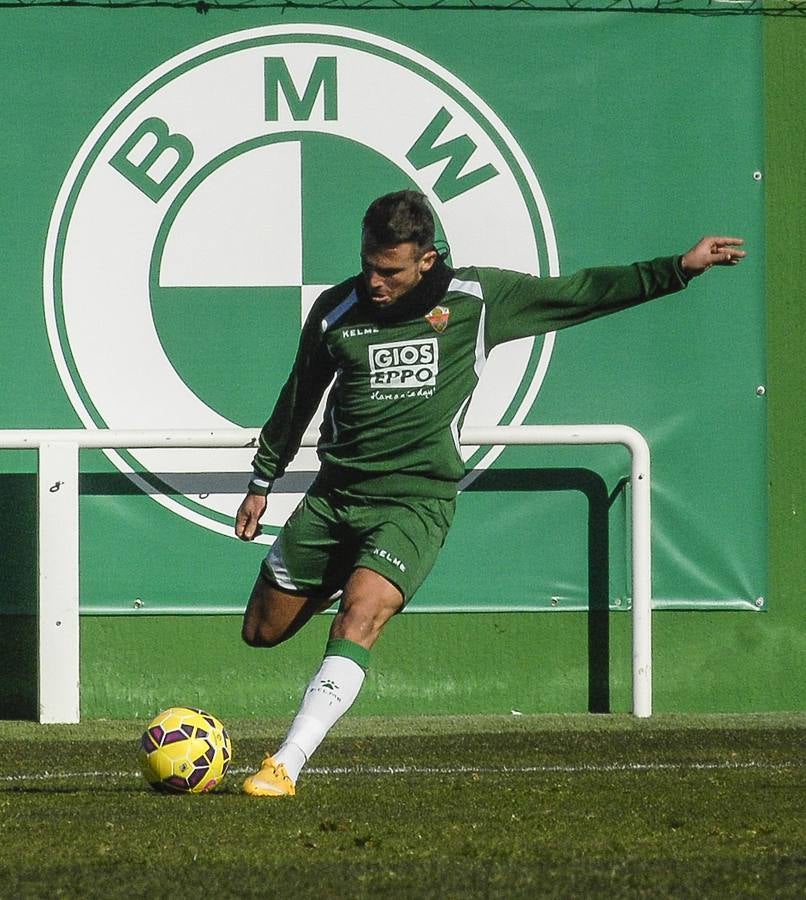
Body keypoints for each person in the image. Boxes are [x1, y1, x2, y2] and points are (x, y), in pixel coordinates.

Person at [235, 189, 745, 797]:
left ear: (427, 260)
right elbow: (297, 400)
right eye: (369, 264)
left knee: (360, 615)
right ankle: (350, 568)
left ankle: (286, 763)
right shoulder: (335, 310)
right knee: (261, 632)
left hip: (415, 503)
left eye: (390, 270)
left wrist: (675, 270)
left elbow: (578, 292)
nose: (374, 280)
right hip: (334, 498)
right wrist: (263, 481)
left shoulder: (477, 300)